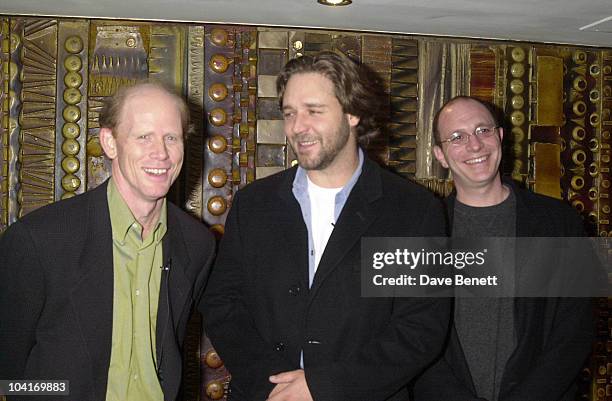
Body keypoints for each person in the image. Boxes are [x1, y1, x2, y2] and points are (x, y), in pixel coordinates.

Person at [201, 51, 450, 401]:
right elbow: (224, 304)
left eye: (314, 111)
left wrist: (323, 386)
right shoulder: (254, 204)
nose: (297, 127)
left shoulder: (412, 210)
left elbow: (420, 328)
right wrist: (274, 384)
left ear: (353, 112)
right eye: (289, 114)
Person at [0, 82, 215, 401]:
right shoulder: (38, 240)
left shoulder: (196, 244)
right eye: (144, 136)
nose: (162, 152)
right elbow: (9, 377)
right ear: (110, 143)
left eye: (172, 137)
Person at [413, 96, 594, 401]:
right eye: (457, 137)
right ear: (440, 155)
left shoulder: (559, 221)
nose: (474, 145)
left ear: (500, 137)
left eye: (483, 130)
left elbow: (575, 330)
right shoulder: (420, 234)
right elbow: (412, 337)